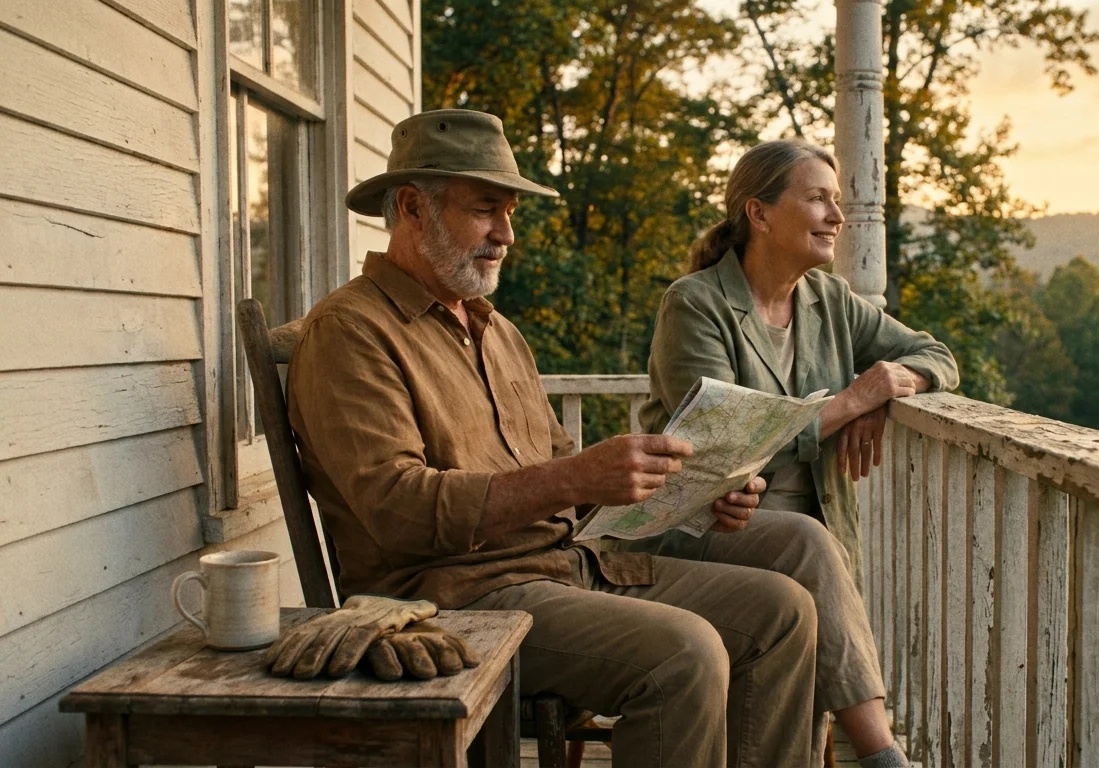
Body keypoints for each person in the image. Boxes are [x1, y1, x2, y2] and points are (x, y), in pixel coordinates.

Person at [287, 110, 896, 767]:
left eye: (511, 212)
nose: (506, 235)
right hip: (456, 599)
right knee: (685, 653)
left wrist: (692, 497)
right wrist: (578, 478)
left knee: (782, 611)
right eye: (487, 210)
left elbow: (559, 478)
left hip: (571, 565)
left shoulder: (495, 331)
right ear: (411, 206)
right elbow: (395, 508)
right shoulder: (351, 332)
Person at [627, 139, 961, 762]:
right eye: (817, 199)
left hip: (811, 531)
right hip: (699, 522)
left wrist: (891, 386)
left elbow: (936, 355)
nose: (837, 216)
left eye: (837, 200)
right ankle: (883, 758)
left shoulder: (828, 300)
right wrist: (851, 403)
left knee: (810, 547)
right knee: (806, 544)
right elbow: (721, 443)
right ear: (758, 213)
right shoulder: (695, 303)